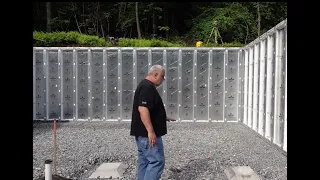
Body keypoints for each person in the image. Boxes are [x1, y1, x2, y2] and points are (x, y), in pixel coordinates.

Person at [130, 65, 176, 180]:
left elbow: (150, 109)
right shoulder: (147, 87)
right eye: (162, 76)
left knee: (144, 162)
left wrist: (163, 117)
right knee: (157, 162)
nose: (163, 79)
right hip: (147, 136)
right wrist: (150, 131)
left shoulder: (145, 86)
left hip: (141, 135)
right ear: (155, 75)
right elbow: (143, 109)